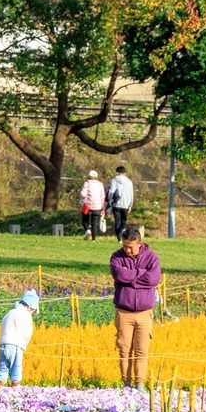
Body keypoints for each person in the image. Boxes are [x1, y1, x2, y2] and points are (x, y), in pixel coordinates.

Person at [109, 225, 160, 388]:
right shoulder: (116, 257)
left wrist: (130, 277)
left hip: (144, 313)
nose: (127, 250)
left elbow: (153, 279)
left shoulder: (152, 257)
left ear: (139, 243)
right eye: (124, 246)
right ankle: (126, 383)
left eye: (130, 247)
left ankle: (140, 385)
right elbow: (119, 275)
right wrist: (141, 273)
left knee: (142, 350)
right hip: (124, 312)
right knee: (124, 350)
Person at [0, 289, 39, 385]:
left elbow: (2, 326)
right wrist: (24, 345)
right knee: (16, 369)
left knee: (2, 368)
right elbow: (27, 333)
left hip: (2, 343)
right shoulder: (26, 315)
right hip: (16, 344)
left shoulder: (10, 312)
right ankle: (15, 390)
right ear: (31, 306)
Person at [108, 165, 135, 239]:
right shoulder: (129, 182)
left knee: (117, 221)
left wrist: (109, 202)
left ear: (117, 172)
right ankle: (123, 231)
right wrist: (130, 205)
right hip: (126, 204)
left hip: (116, 204)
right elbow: (131, 194)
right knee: (124, 220)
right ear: (125, 173)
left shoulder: (114, 180)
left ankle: (119, 238)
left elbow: (111, 192)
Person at [79, 169, 106, 240]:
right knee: (95, 222)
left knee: (85, 219)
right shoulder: (100, 184)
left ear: (89, 176)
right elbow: (102, 196)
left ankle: (87, 229)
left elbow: (83, 194)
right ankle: (94, 239)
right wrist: (103, 207)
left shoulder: (87, 183)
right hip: (98, 205)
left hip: (87, 205)